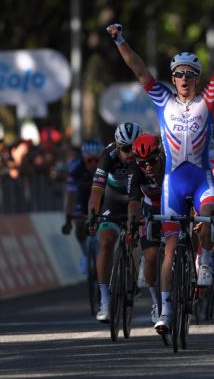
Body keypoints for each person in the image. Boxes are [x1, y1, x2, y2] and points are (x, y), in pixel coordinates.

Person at [107, 14, 214, 334]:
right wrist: (119, 40)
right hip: (173, 183)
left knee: (209, 219)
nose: (183, 78)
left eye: (189, 74)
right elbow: (139, 69)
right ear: (172, 78)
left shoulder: (207, 100)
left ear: (197, 77)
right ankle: (167, 313)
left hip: (201, 179)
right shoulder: (163, 100)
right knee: (170, 248)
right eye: (178, 74)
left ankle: (204, 263)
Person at [87, 121, 143, 322]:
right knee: (106, 241)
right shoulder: (108, 155)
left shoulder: (146, 152)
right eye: (126, 149)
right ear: (118, 147)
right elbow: (96, 191)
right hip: (114, 197)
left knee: (139, 236)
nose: (131, 154)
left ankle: (136, 273)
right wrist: (93, 216)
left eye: (134, 148)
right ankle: (104, 299)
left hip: (139, 197)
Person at [127, 133, 165, 324]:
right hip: (150, 207)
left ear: (160, 155)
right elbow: (134, 202)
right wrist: (133, 224)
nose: (148, 167)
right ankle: (156, 302)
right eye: (143, 163)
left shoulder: (170, 164)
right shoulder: (134, 171)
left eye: (152, 161)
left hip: (171, 203)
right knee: (151, 257)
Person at [62, 139, 104, 274]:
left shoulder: (106, 165)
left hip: (102, 195)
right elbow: (70, 195)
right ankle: (86, 255)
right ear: (83, 158)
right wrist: (68, 219)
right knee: (79, 225)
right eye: (89, 160)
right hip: (82, 194)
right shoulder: (75, 168)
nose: (93, 164)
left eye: (96, 160)